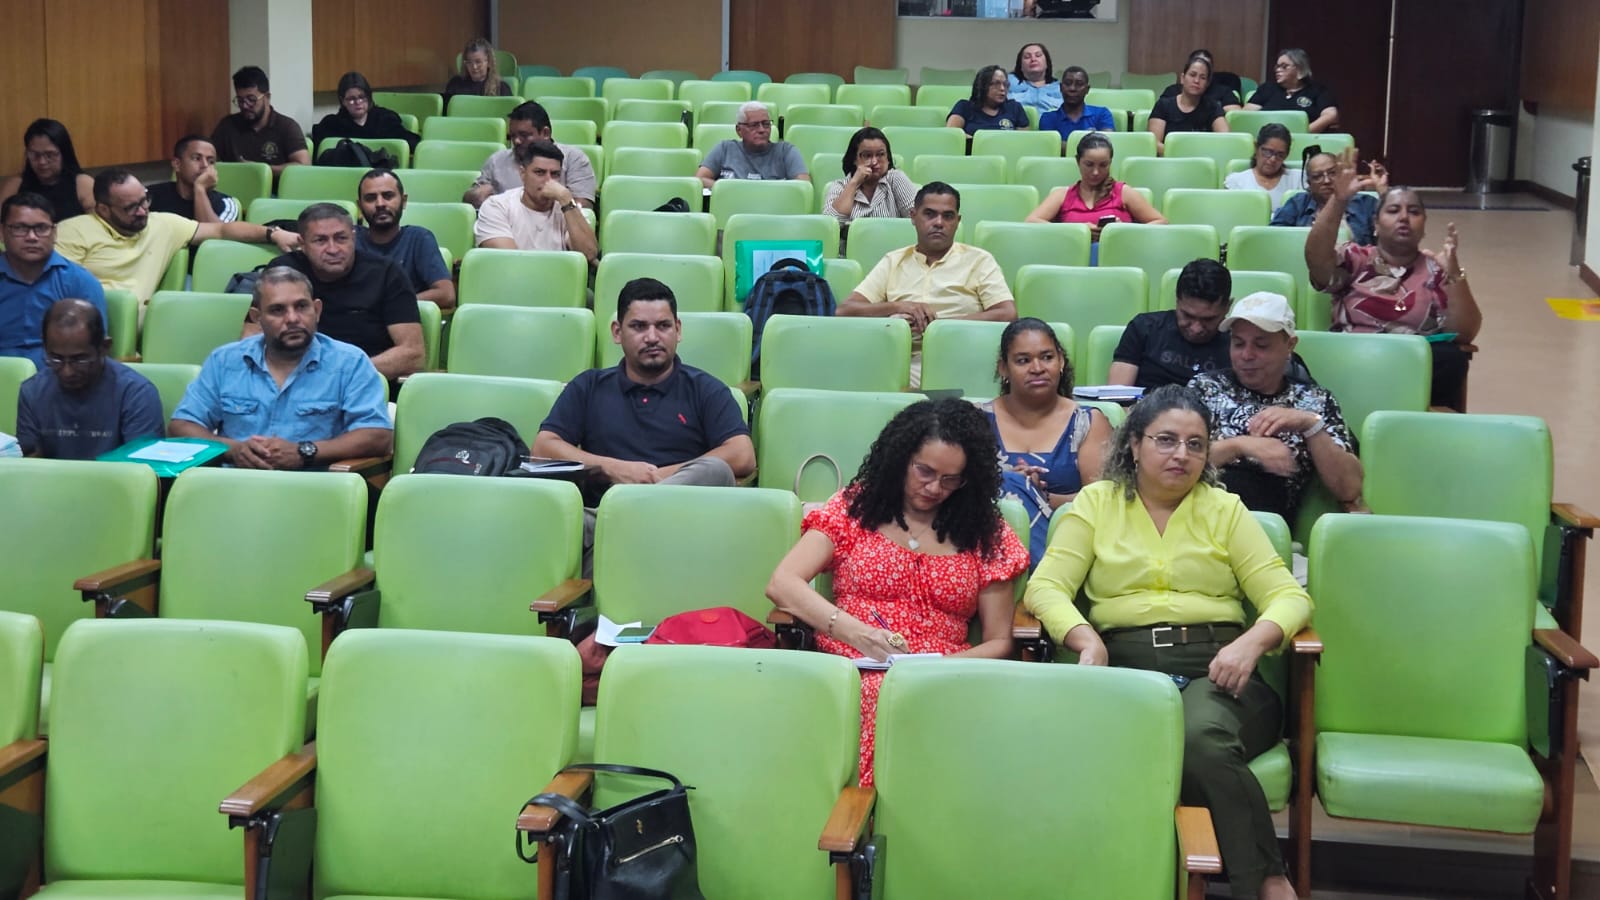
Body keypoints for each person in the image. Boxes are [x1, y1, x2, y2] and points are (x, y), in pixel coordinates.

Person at [1023, 384, 1311, 900]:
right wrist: (1086, 640)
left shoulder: (1225, 510)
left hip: (1219, 670)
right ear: (1134, 444)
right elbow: (1045, 588)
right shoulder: (1096, 504)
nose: (1182, 454)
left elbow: (1290, 598)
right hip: (1124, 671)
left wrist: (1251, 644)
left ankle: (1267, 881)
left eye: (1196, 444)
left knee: (1196, 736)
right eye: (1166, 440)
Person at [766, 398, 1028, 787]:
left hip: (942, 673)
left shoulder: (984, 531)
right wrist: (857, 633)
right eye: (925, 471)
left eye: (951, 479)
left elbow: (999, 642)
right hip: (852, 664)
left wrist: (937, 669)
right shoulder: (857, 508)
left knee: (919, 706)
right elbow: (782, 582)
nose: (935, 488)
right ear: (902, 457)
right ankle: (860, 811)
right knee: (872, 695)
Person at [533, 277, 756, 573]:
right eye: (639, 327)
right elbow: (543, 448)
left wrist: (656, 478)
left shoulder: (705, 389)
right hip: (606, 542)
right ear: (617, 332)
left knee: (714, 470)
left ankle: (616, 518)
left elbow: (742, 454)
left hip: (681, 530)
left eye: (662, 326)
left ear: (678, 330)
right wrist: (615, 469)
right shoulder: (589, 386)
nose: (652, 337)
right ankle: (615, 520)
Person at [1305, 151, 1481, 409]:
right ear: (1375, 225)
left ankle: (1401, 414)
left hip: (1412, 371)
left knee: (1451, 358)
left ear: (1424, 225)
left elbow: (1465, 333)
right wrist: (1338, 200)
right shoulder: (1356, 258)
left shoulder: (1437, 268)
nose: (1404, 218)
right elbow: (1317, 262)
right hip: (1354, 361)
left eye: (1414, 211)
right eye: (1394, 210)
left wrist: (1454, 274)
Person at [171, 267, 392, 470]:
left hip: (315, 488)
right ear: (257, 318)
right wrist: (234, 450)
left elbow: (377, 436)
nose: (292, 318)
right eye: (277, 310)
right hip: (235, 485)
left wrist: (305, 451)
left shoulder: (350, 362)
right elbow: (182, 426)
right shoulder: (225, 361)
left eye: (301, 306)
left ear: (317, 310)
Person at [1189, 292, 1363, 522]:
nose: (1247, 355)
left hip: (1267, 525)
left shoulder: (1316, 401)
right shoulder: (1205, 388)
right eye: (1238, 343)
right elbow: (1174, 458)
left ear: (1290, 345)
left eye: (1261, 345)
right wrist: (1239, 446)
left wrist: (1310, 425)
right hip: (1199, 516)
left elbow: (1349, 489)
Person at [839, 183, 1018, 388]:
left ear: (957, 221)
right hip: (901, 360)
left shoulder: (978, 260)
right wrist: (900, 307)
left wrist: (938, 327)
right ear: (913, 216)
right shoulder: (893, 261)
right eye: (930, 214)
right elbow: (845, 311)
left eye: (948, 216)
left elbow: (1008, 314)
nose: (939, 222)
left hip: (961, 359)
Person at [55, 169, 301, 305]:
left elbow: (221, 230)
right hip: (85, 324)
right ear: (103, 210)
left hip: (142, 326)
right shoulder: (72, 232)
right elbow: (56, 291)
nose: (142, 211)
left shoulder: (163, 224)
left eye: (144, 200)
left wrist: (273, 233)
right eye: (131, 207)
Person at [979, 318, 1111, 562]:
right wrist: (1011, 486)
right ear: (1003, 368)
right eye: (1023, 360)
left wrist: (1034, 495)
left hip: (1068, 542)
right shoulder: (977, 421)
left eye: (1047, 357)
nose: (1037, 368)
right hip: (985, 542)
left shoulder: (1088, 422)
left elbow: (1103, 500)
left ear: (1061, 361)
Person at [258, 203, 423, 381]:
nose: (333, 249)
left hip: (364, 381)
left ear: (354, 237)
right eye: (320, 240)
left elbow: (412, 354)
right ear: (302, 244)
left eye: (341, 238)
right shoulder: (283, 272)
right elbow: (252, 338)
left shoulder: (387, 273)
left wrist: (337, 376)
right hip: (290, 381)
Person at [16, 299, 162, 460]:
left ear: (104, 348)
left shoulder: (136, 394)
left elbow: (142, 467)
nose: (67, 371)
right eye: (56, 359)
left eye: (79, 360)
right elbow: (29, 463)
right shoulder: (32, 392)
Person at [0, 193, 106, 367]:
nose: (32, 237)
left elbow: (94, 350)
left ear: (54, 233)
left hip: (61, 376)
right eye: (20, 228)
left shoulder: (80, 282)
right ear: (2, 232)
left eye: (41, 228)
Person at [1025, 133, 1165, 262]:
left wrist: (1123, 230)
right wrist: (1077, 231)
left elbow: (1161, 222)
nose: (1096, 172)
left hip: (1118, 260)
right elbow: (1031, 222)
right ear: (1078, 161)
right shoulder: (1062, 195)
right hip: (1070, 261)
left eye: (1103, 165)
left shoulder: (1123, 192)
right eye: (1089, 165)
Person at [1109, 259, 1232, 390]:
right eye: (1187, 316)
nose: (1196, 329)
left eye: (1208, 320)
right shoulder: (1144, 328)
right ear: (1177, 300)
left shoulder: (1238, 344)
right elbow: (1117, 396)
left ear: (1227, 307)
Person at [473, 140, 599, 265]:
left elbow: (589, 254)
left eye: (555, 174)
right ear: (523, 174)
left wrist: (566, 199)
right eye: (540, 172)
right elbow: (510, 263)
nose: (548, 180)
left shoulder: (569, 208)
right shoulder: (496, 207)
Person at [464, 101, 597, 210]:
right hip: (505, 226)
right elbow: (472, 199)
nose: (516, 141)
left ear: (545, 133)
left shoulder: (574, 158)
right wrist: (474, 196)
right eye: (513, 136)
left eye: (524, 135)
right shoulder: (496, 161)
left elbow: (583, 206)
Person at [355, 169, 455, 313]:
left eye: (388, 196)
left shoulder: (419, 238)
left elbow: (446, 295)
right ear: (360, 206)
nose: (380, 204)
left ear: (404, 201)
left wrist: (391, 304)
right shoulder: (348, 239)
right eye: (370, 198)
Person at [209, 66, 311, 176]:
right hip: (236, 186)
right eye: (240, 100)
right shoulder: (227, 126)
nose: (245, 105)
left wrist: (260, 170)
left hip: (275, 186)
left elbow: (304, 166)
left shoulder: (287, 127)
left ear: (267, 97)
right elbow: (209, 158)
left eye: (251, 99)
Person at [1271, 150, 1381, 245]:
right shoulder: (1297, 204)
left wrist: (1383, 190)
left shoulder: (1366, 203)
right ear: (1309, 184)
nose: (1327, 181)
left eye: (1332, 173)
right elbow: (1273, 238)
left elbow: (1386, 241)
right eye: (1317, 176)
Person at [695, 101, 810, 189]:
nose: (762, 130)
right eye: (754, 125)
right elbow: (699, 179)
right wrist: (731, 190)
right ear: (739, 130)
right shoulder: (725, 149)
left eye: (766, 124)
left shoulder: (786, 151)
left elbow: (804, 185)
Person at [0, 119, 95, 220]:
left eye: (50, 155)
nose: (42, 162)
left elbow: (98, 226)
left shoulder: (83, 184)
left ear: (64, 153)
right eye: (35, 154)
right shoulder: (15, 185)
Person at [823, 127, 917, 225]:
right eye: (867, 155)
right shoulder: (840, 186)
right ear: (854, 159)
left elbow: (917, 219)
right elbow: (830, 225)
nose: (874, 162)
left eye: (880, 154)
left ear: (888, 158)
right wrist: (854, 183)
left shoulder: (896, 178)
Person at [310, 71, 421, 154]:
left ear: (369, 97)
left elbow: (410, 142)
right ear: (342, 101)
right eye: (351, 99)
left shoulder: (385, 119)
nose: (358, 102)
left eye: (362, 97)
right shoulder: (331, 124)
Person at [146, 135, 241, 223]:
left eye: (211, 161)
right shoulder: (148, 196)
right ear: (177, 164)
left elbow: (211, 234)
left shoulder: (226, 204)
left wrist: (200, 189)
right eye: (196, 158)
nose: (205, 165)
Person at [1148, 54, 1228, 154]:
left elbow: (1226, 140)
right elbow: (1154, 143)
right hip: (1169, 159)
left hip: (1202, 160)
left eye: (1202, 78)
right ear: (1182, 78)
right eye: (1192, 75)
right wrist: (1183, 156)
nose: (1196, 81)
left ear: (1207, 84)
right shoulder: (1163, 105)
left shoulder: (1213, 107)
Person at [1245, 49, 1338, 134]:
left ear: (1300, 68)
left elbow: (1331, 115)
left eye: (1284, 66)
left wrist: (1302, 133)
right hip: (1266, 141)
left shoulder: (1317, 90)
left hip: (1304, 139)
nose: (1278, 70)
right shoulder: (1267, 88)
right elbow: (1245, 115)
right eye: (1277, 67)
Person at [1223, 124, 1303, 213]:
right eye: (1268, 152)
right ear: (1256, 148)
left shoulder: (1299, 179)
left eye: (1280, 155)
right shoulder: (1237, 181)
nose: (1273, 159)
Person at [1038, 67, 1115, 143]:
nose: (1072, 88)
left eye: (1079, 84)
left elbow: (1106, 144)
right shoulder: (1048, 118)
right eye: (1068, 84)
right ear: (1061, 88)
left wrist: (1064, 144)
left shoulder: (1102, 114)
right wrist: (1089, 142)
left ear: (1087, 89)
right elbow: (1051, 145)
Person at [947, 65, 1030, 135]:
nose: (1002, 88)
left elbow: (1024, 141)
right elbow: (952, 135)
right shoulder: (964, 107)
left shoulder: (1014, 108)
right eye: (996, 84)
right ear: (982, 86)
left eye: (1005, 84)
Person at [1157, 48, 1244, 114]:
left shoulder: (1223, 92)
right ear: (1183, 76)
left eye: (1205, 66)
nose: (1196, 80)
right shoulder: (1172, 91)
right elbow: (1159, 113)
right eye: (1193, 74)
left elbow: (1236, 115)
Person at [444, 38, 513, 106]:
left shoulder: (501, 88)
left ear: (489, 62)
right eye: (469, 62)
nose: (474, 67)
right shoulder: (455, 84)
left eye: (478, 62)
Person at [1008, 42, 1062, 112]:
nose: (1033, 59)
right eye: (1027, 57)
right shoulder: (1007, 83)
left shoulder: (1060, 88)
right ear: (1020, 65)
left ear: (1047, 63)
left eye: (1038, 55)